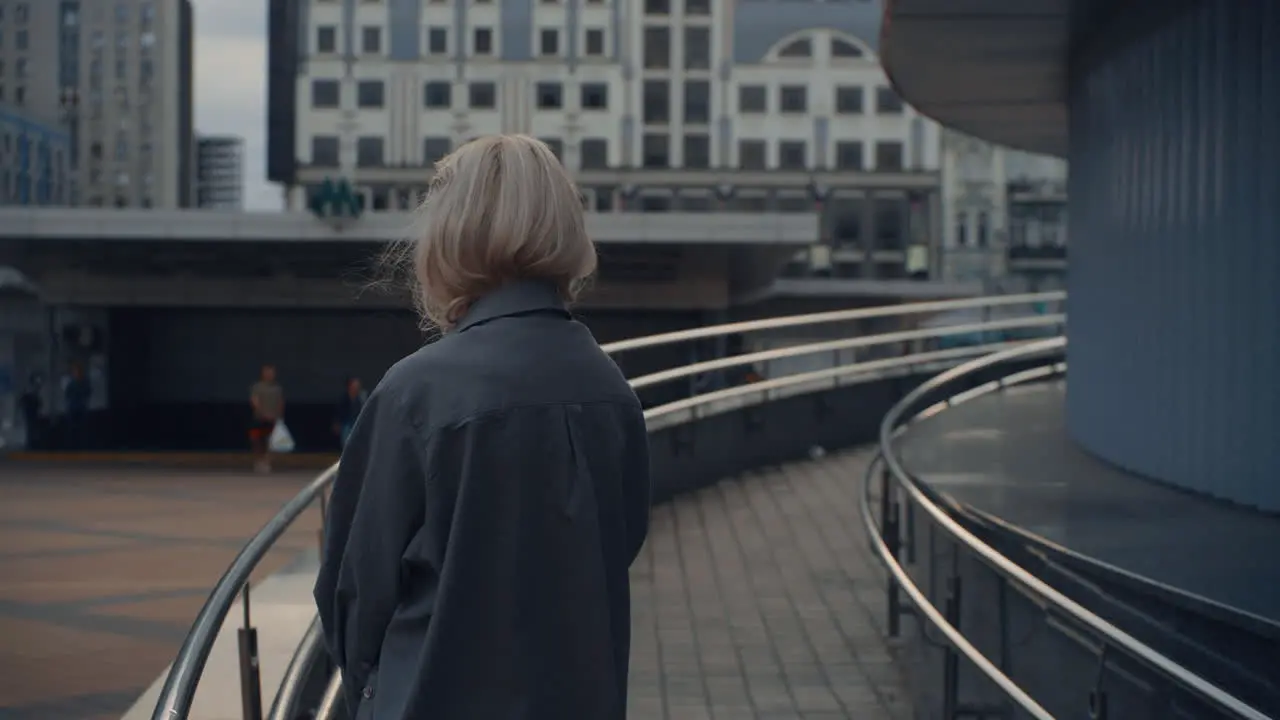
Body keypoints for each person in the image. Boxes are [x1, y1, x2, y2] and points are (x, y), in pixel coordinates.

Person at [314, 135, 651, 720]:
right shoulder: (610, 389)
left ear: (450, 232)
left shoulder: (415, 392)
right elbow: (619, 545)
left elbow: (354, 596)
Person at [249, 364, 284, 473]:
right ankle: (258, 462)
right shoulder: (257, 387)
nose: (269, 375)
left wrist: (279, 416)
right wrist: (262, 413)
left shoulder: (277, 389)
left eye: (271, 373)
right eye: (267, 372)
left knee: (271, 442)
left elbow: (280, 403)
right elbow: (254, 401)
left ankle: (267, 462)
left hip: (273, 419)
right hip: (259, 419)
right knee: (257, 440)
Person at [333, 376, 368, 449]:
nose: (357, 388)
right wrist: (337, 423)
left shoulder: (361, 398)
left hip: (357, 424)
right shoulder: (344, 399)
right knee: (346, 440)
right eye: (355, 386)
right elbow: (340, 412)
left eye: (358, 386)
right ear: (350, 386)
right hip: (346, 424)